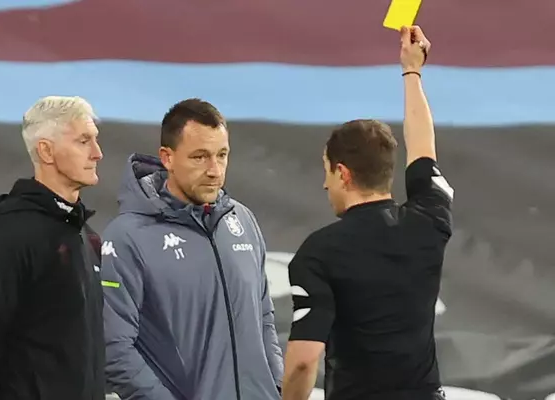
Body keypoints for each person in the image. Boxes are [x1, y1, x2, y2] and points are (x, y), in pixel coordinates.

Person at [281, 26, 453, 400]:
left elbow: (303, 363)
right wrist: (412, 71)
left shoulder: (318, 253)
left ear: (342, 173)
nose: (325, 184)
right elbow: (424, 149)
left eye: (327, 171)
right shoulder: (430, 221)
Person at [100, 98, 283, 400]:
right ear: (167, 158)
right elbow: (115, 347)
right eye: (200, 157)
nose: (214, 170)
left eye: (222, 155)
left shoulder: (242, 220)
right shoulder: (127, 236)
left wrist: (275, 386)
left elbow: (263, 315)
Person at [0, 96, 106, 400]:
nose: (97, 153)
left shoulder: (85, 236)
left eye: (95, 139)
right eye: (83, 141)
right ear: (46, 151)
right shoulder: (8, 237)